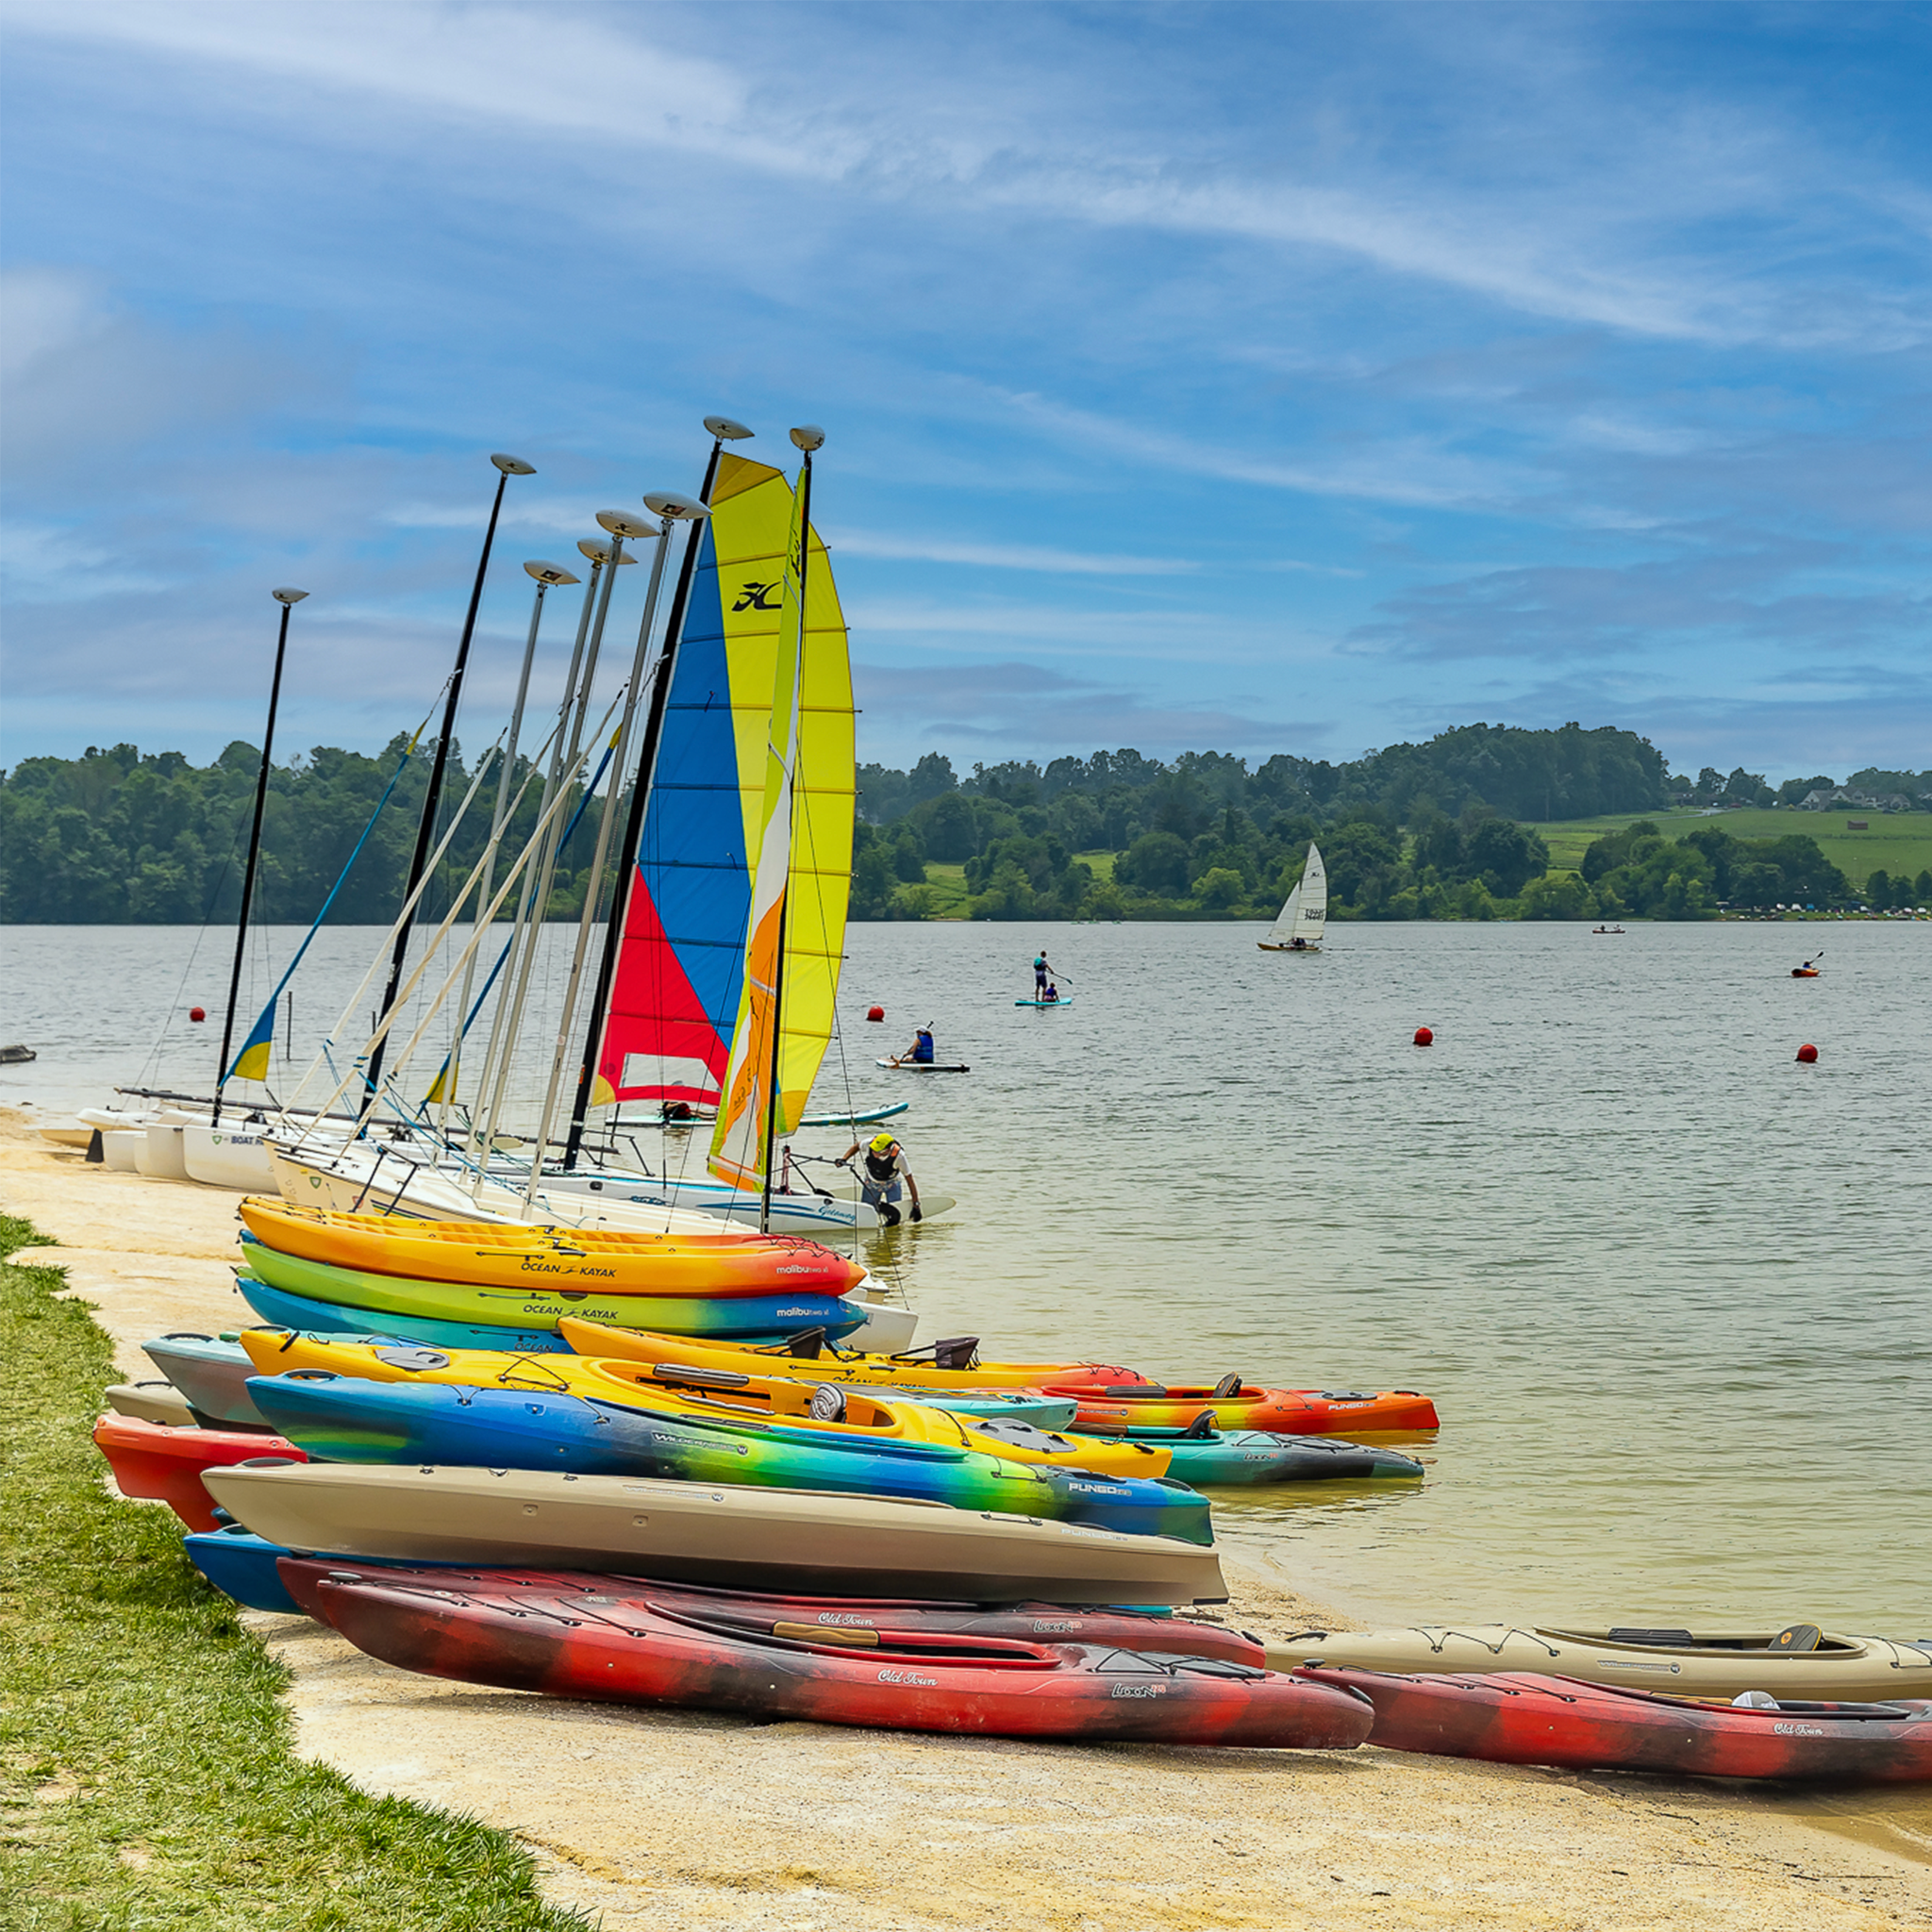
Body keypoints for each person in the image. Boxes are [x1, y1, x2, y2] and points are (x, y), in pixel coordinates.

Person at [837, 1131, 922, 1228]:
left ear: (888, 1150)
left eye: (878, 1151)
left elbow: (910, 1180)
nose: (874, 1153)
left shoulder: (899, 1156)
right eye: (873, 1150)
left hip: (892, 1184)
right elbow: (856, 1146)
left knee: (895, 1214)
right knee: (866, 1212)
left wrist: (916, 1205)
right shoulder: (869, 1143)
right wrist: (844, 1159)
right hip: (872, 1183)